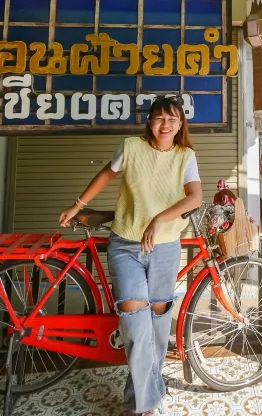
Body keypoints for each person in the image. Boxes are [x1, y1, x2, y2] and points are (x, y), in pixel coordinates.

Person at [58, 97, 203, 416]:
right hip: (125, 244)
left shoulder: (185, 156)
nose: (165, 124)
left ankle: (139, 393)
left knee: (158, 324)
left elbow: (195, 196)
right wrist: (77, 206)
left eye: (173, 119)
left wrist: (159, 219)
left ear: (180, 125)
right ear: (149, 121)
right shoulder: (131, 147)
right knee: (136, 323)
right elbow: (105, 176)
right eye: (159, 118)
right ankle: (146, 406)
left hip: (165, 247)